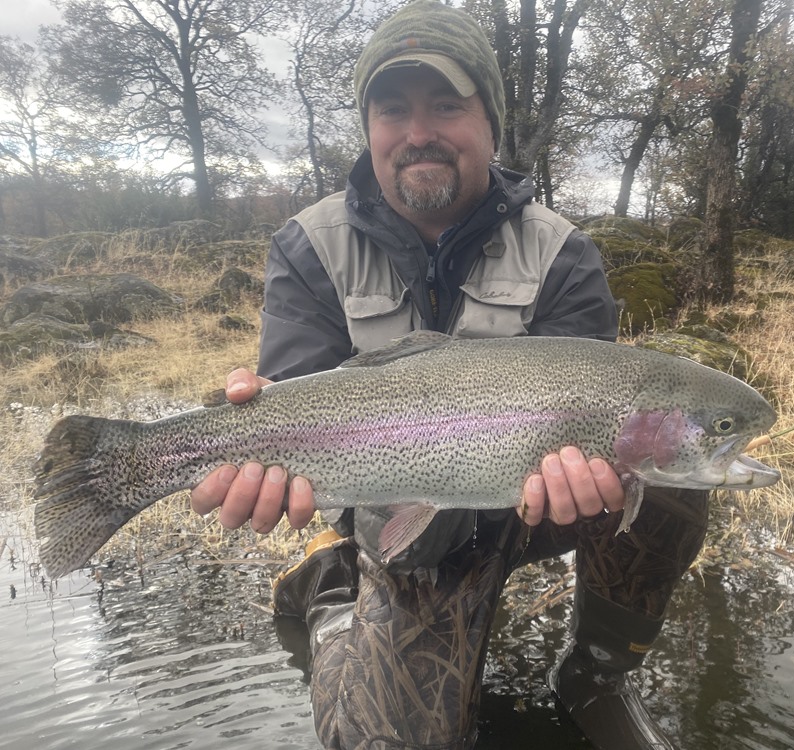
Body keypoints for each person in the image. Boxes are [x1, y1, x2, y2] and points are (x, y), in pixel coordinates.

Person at [189, 2, 709, 748]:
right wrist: (253, 440)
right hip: (376, 516)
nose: (417, 132)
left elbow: (597, 411)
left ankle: (596, 670)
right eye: (392, 109)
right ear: (369, 128)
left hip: (523, 504)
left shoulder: (564, 255)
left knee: (668, 465)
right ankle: (331, 588)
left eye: (445, 106)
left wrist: (593, 479)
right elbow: (290, 407)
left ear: (490, 123)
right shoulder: (308, 247)